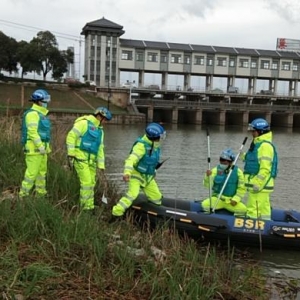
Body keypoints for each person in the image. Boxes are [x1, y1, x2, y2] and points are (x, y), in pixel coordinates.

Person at [111, 123, 166, 220]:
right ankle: (116, 214)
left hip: (148, 177)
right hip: (136, 175)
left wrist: (154, 170)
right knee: (132, 194)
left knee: (157, 198)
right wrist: (127, 172)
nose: (160, 140)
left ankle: (149, 216)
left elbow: (151, 163)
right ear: (153, 138)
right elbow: (130, 160)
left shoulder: (155, 147)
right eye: (159, 138)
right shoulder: (141, 146)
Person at [66, 107, 112, 212]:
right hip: (80, 158)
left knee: (91, 183)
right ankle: (85, 208)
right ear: (99, 116)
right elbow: (71, 136)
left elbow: (100, 149)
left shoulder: (100, 131)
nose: (105, 122)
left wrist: (101, 165)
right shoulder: (83, 124)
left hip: (91, 161)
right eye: (104, 119)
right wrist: (71, 154)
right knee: (86, 183)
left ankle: (90, 206)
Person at [19, 89, 52, 198]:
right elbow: (32, 132)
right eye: (45, 100)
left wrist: (45, 148)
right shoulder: (32, 114)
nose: (46, 103)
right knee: (31, 174)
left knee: (41, 174)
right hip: (34, 150)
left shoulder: (41, 114)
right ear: (38, 101)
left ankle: (40, 195)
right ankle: (23, 196)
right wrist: (40, 146)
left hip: (42, 150)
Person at [244, 118, 278, 220]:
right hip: (260, 185)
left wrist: (258, 183)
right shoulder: (258, 144)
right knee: (264, 208)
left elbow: (265, 168)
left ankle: (251, 229)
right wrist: (242, 155)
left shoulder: (265, 146)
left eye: (254, 131)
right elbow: (253, 159)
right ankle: (266, 225)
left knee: (253, 208)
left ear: (260, 132)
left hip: (259, 185)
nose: (252, 134)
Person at [201, 148, 247, 215]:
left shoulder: (238, 172)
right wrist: (207, 177)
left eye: (225, 161)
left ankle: (234, 221)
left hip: (230, 201)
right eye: (221, 160)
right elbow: (208, 185)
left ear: (230, 162)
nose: (222, 163)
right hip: (218, 198)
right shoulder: (215, 170)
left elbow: (242, 188)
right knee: (205, 204)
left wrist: (236, 199)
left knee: (243, 209)